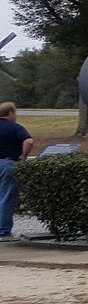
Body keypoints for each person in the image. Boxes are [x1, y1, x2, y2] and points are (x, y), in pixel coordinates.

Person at [0, 102, 34, 239]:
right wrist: (23, 156)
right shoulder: (15, 128)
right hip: (9, 163)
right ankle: (3, 232)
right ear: (10, 113)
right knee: (6, 198)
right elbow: (29, 141)